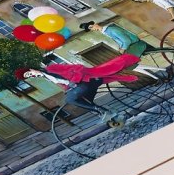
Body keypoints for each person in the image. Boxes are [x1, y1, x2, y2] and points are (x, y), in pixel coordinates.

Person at [15, 54, 157, 127]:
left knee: (70, 99)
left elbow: (75, 68)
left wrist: (75, 81)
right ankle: (113, 116)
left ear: (32, 69)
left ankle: (102, 111)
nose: (32, 75)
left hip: (88, 80)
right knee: (84, 101)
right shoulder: (48, 77)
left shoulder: (51, 69)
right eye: (30, 77)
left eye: (30, 73)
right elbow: (65, 84)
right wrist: (69, 87)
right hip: (83, 85)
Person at [79, 19, 153, 58]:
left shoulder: (111, 30)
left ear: (95, 24)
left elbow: (126, 41)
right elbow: (121, 41)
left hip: (136, 45)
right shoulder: (105, 32)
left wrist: (122, 49)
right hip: (131, 46)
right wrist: (120, 48)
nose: (93, 29)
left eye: (91, 27)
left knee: (128, 63)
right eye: (90, 29)